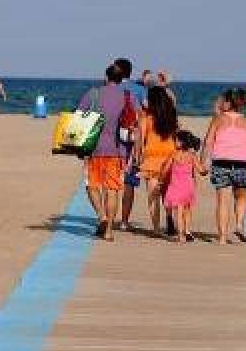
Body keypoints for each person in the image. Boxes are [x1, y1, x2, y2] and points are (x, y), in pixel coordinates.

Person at [76, 64, 130, 241]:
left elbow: (78, 116)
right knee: (112, 190)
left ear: (106, 77)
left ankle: (102, 217)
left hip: (94, 149)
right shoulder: (126, 96)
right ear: (121, 79)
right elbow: (134, 122)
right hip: (117, 149)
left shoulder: (93, 93)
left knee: (91, 185)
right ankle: (109, 232)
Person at [202, 88, 246, 245]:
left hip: (221, 162)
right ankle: (240, 225)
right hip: (244, 163)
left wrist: (204, 160)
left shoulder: (219, 119)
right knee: (241, 196)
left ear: (229, 102)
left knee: (222, 200)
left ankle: (222, 237)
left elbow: (208, 141)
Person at [131, 85, 178, 234]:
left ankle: (157, 228)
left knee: (153, 196)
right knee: (168, 193)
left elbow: (140, 140)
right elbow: (176, 138)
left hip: (151, 159)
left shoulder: (146, 118)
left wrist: (137, 158)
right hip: (170, 158)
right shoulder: (171, 117)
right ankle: (170, 218)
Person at [112, 58, 145, 230]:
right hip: (132, 139)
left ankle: (108, 217)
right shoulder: (139, 90)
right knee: (129, 182)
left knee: (111, 181)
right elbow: (144, 114)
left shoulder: (111, 88)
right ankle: (124, 221)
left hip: (113, 140)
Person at [161, 130, 204, 243]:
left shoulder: (174, 154)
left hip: (175, 186)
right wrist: (205, 170)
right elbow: (201, 170)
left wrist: (161, 179)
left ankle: (180, 235)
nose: (174, 142)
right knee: (188, 210)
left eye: (176, 140)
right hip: (188, 187)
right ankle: (187, 230)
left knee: (178, 211)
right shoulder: (191, 156)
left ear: (181, 142)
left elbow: (165, 169)